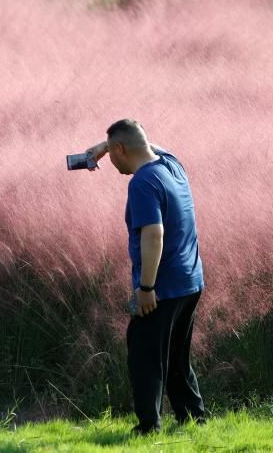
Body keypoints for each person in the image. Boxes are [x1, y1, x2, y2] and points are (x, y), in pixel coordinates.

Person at [85, 119, 206, 434]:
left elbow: (153, 234)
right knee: (177, 356)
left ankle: (148, 426)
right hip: (190, 281)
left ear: (121, 149)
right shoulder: (170, 164)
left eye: (111, 154)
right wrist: (102, 147)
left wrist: (146, 288)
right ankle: (193, 418)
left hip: (162, 286)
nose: (109, 161)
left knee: (144, 354)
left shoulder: (142, 182)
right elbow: (149, 144)